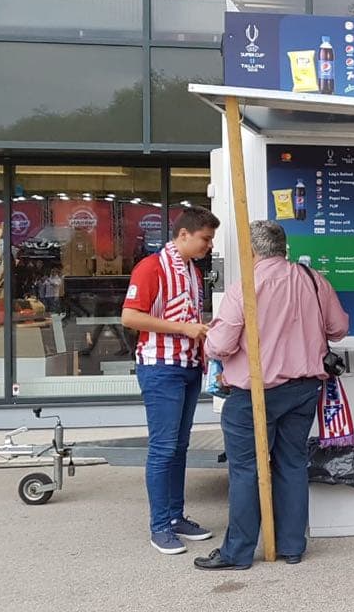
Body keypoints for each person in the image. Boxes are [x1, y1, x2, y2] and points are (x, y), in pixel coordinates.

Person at [194, 221, 350, 570]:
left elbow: (219, 346)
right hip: (304, 390)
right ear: (283, 248)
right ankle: (292, 546)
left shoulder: (244, 288)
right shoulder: (313, 280)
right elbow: (339, 329)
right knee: (292, 464)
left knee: (246, 470)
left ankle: (238, 552)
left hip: (254, 395)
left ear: (252, 251)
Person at [120, 206, 219, 555]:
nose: (209, 246)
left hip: (188, 365)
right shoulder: (151, 267)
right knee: (164, 448)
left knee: (178, 447)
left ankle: (174, 518)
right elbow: (129, 316)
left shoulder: (192, 270)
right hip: (160, 367)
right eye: (205, 239)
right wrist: (184, 328)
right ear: (184, 234)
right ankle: (159, 525)